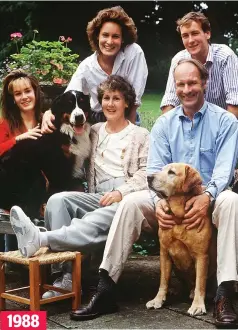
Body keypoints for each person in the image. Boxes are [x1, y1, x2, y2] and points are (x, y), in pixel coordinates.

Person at [67, 58, 238, 324]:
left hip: (209, 197)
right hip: (168, 200)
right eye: (180, 84)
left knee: (232, 202)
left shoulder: (225, 121)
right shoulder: (164, 125)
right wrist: (159, 203)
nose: (186, 89)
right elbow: (154, 174)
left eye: (193, 82)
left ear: (204, 83)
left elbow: (224, 171)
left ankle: (224, 293)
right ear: (175, 86)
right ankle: (106, 287)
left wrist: (206, 197)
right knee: (130, 204)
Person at [10, 75, 149, 304]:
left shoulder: (140, 135)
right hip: (97, 195)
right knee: (58, 200)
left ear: (127, 103)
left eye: (117, 98)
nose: (110, 104)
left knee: (101, 216)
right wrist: (47, 114)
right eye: (106, 98)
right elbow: (64, 125)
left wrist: (121, 192)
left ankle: (42, 239)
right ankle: (64, 276)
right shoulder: (93, 130)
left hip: (128, 198)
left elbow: (145, 173)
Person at [42, 5, 148, 131]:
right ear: (97, 36)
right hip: (98, 119)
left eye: (115, 36)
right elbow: (68, 95)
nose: (109, 41)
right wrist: (49, 113)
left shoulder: (134, 53)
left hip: (127, 114)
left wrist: (129, 133)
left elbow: (134, 101)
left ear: (123, 38)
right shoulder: (87, 67)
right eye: (105, 35)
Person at [0, 69, 47, 252]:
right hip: (9, 190)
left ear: (35, 92)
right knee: (20, 151)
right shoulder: (6, 125)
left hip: (37, 190)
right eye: (18, 94)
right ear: (13, 99)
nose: (24, 97)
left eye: (28, 91)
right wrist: (18, 139)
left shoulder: (46, 121)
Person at [160, 11, 238, 118]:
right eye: (185, 36)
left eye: (195, 33)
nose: (190, 40)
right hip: (191, 123)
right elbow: (170, 100)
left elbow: (234, 102)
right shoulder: (178, 60)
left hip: (222, 123)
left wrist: (223, 131)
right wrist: (167, 129)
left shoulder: (225, 56)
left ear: (207, 34)